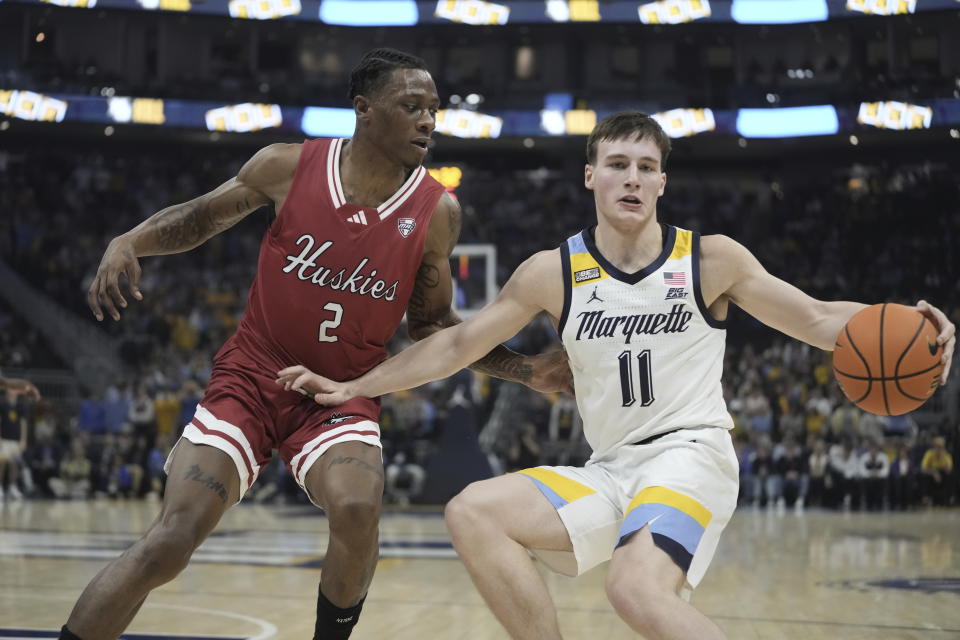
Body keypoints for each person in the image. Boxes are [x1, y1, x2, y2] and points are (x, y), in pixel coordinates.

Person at [278, 111, 957, 639]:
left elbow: (816, 320)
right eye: (617, 164)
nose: (631, 178)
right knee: (472, 512)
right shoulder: (551, 273)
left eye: (645, 167)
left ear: (663, 182)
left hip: (691, 457)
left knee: (634, 590)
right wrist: (355, 385)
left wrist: (909, 323)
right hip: (610, 470)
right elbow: (453, 348)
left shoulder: (711, 259)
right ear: (590, 176)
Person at [64, 48, 571, 640]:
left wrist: (522, 369)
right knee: (171, 542)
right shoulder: (285, 166)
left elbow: (432, 328)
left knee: (358, 511)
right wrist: (131, 240)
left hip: (341, 393)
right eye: (411, 107)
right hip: (251, 377)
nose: (429, 120)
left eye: (434, 109)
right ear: (364, 110)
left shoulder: (437, 212)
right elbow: (201, 218)